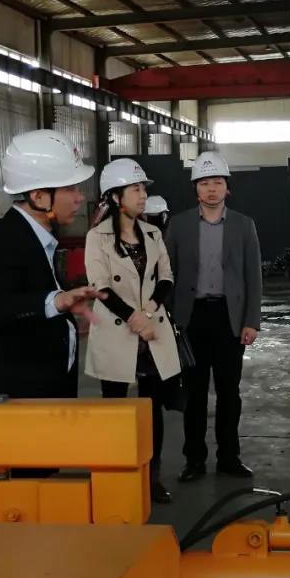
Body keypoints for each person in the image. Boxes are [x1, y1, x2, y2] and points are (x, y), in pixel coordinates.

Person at [0, 129, 104, 398]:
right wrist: (55, 302)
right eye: (70, 188)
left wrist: (63, 311)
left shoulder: (38, 239)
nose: (79, 197)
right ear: (39, 196)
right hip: (16, 405)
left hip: (43, 398)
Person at [84, 159, 181, 504]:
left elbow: (167, 277)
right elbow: (100, 286)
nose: (143, 196)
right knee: (114, 408)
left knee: (152, 409)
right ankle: (114, 475)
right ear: (115, 197)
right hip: (118, 331)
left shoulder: (152, 233)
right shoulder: (97, 237)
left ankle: (151, 478)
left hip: (152, 330)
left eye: (144, 189)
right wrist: (133, 318)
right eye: (136, 189)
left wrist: (149, 311)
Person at [166, 151, 262, 482]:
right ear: (196, 189)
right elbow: (168, 275)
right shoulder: (179, 226)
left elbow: (253, 277)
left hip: (228, 318)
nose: (211, 189)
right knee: (193, 394)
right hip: (191, 318)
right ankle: (194, 460)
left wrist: (251, 321)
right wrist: (169, 321)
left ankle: (229, 457)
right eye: (204, 183)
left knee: (228, 392)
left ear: (227, 188)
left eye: (217, 183)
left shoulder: (243, 225)